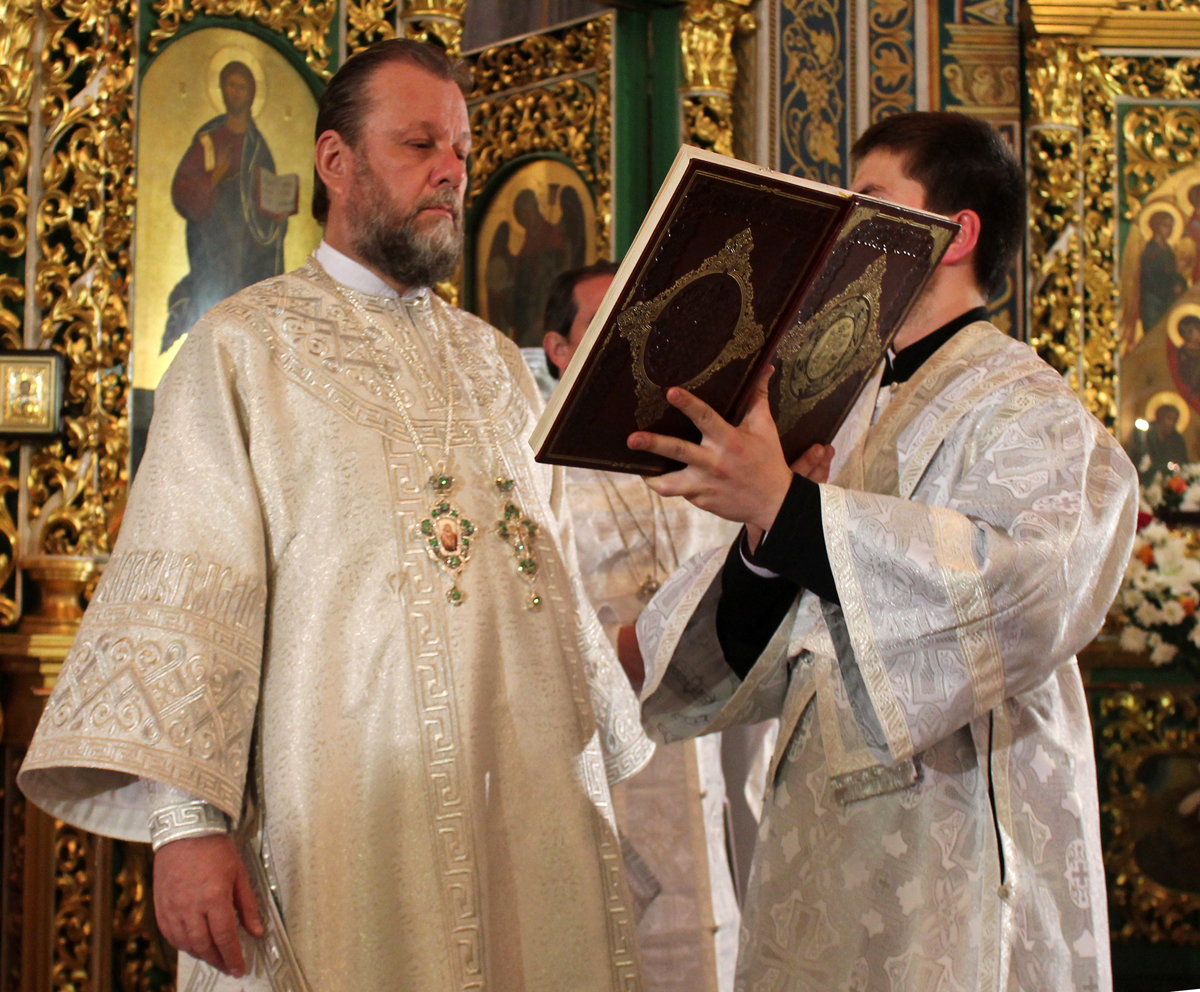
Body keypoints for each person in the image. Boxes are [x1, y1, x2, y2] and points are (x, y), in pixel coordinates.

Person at [19, 40, 651, 992]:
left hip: (517, 818)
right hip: (334, 833)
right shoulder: (241, 351)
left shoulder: (497, 368)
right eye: (419, 144)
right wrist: (187, 826)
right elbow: (187, 597)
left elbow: (550, 590)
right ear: (335, 160)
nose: (451, 171)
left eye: (463, 152)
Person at [626, 112, 1137, 991]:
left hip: (952, 837)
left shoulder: (1029, 407)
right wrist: (764, 539)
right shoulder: (847, 404)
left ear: (955, 235)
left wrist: (787, 510)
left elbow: (1029, 588)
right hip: (818, 832)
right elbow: (789, 628)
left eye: (870, 201)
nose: (844, 227)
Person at [538, 263, 741, 992]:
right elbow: (521, 627)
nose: (629, 342)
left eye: (642, 324)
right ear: (559, 350)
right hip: (601, 759)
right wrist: (618, 652)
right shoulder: (533, 463)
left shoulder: (696, 455)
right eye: (605, 326)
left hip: (707, 746)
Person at [164, 60, 291, 353]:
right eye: (231, 86)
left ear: (252, 93)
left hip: (251, 244)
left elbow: (268, 193)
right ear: (221, 90)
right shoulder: (208, 138)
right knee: (215, 289)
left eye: (241, 87)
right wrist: (214, 177)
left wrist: (278, 212)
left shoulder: (257, 146)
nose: (235, 92)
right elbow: (182, 189)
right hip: (214, 237)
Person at [1140, 210, 1187, 335]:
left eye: (1171, 226)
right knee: (1154, 332)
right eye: (1166, 225)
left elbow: (1172, 273)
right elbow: (1151, 278)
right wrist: (1171, 287)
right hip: (1153, 301)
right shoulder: (1151, 251)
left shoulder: (1168, 250)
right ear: (1156, 226)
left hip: (1167, 299)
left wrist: (1180, 283)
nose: (1169, 230)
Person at [1129, 400, 1190, 482]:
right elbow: (1137, 454)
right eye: (1169, 418)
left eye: (1175, 420)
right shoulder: (1144, 433)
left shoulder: (1177, 439)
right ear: (1160, 417)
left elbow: (1182, 461)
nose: (1171, 423)